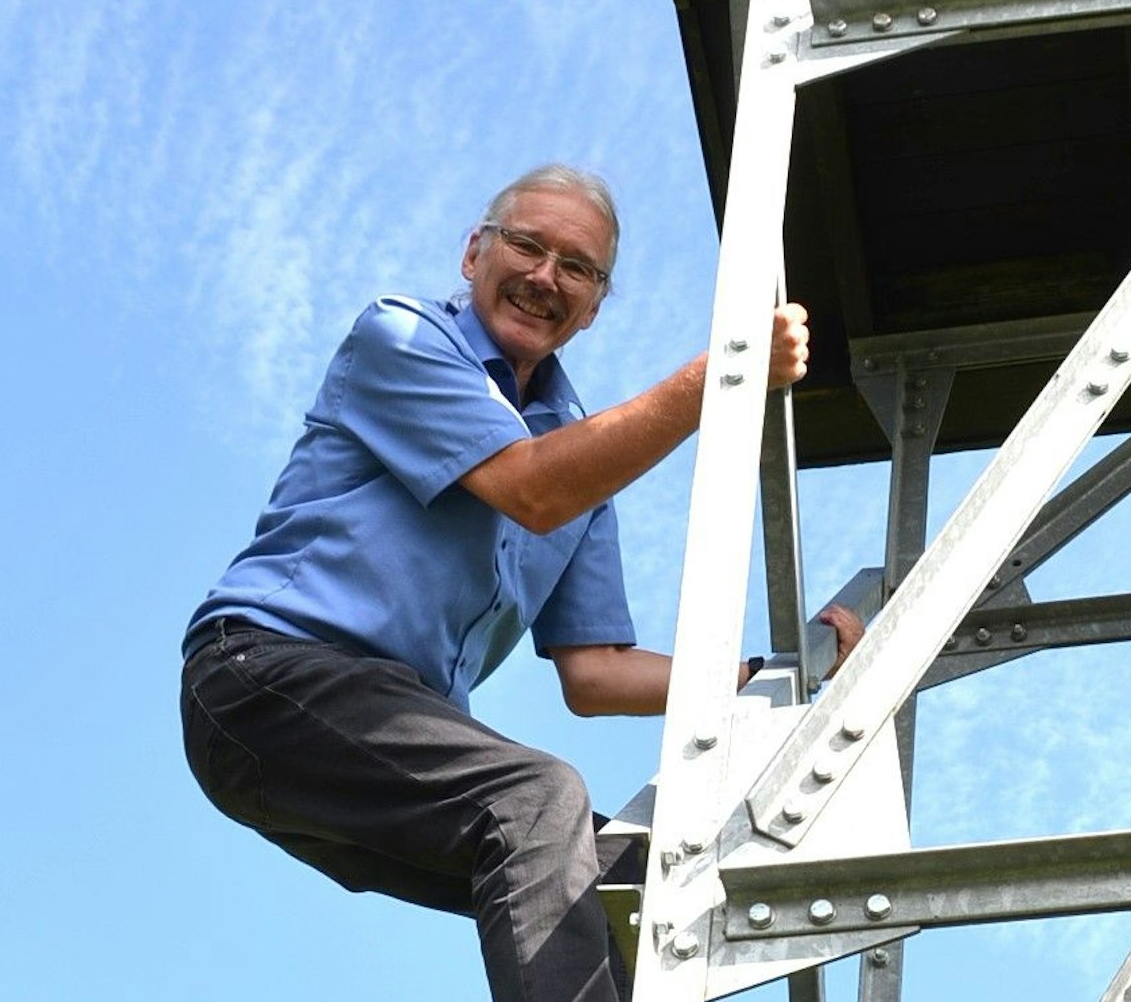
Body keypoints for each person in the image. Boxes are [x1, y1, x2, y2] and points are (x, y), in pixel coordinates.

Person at [178, 164, 862, 1002]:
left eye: (576, 266)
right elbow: (533, 487)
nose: (546, 276)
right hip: (267, 679)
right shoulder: (400, 337)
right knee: (539, 799)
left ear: (597, 303)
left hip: (381, 728)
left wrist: (762, 674)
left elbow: (596, 670)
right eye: (527, 245)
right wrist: (721, 378)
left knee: (640, 875)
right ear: (475, 252)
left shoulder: (581, 454)